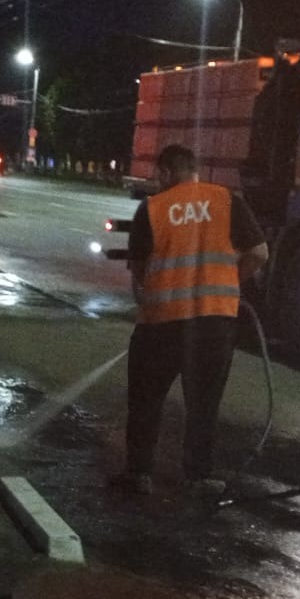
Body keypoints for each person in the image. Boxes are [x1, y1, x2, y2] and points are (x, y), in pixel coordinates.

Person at [111, 144, 270, 496]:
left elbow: (139, 273)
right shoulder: (228, 201)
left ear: (166, 173)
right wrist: (228, 283)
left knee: (146, 401)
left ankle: (139, 474)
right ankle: (198, 477)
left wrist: (150, 299)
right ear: (195, 170)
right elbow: (259, 253)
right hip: (214, 325)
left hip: (161, 325)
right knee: (204, 404)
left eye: (158, 176)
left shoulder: (152, 209)